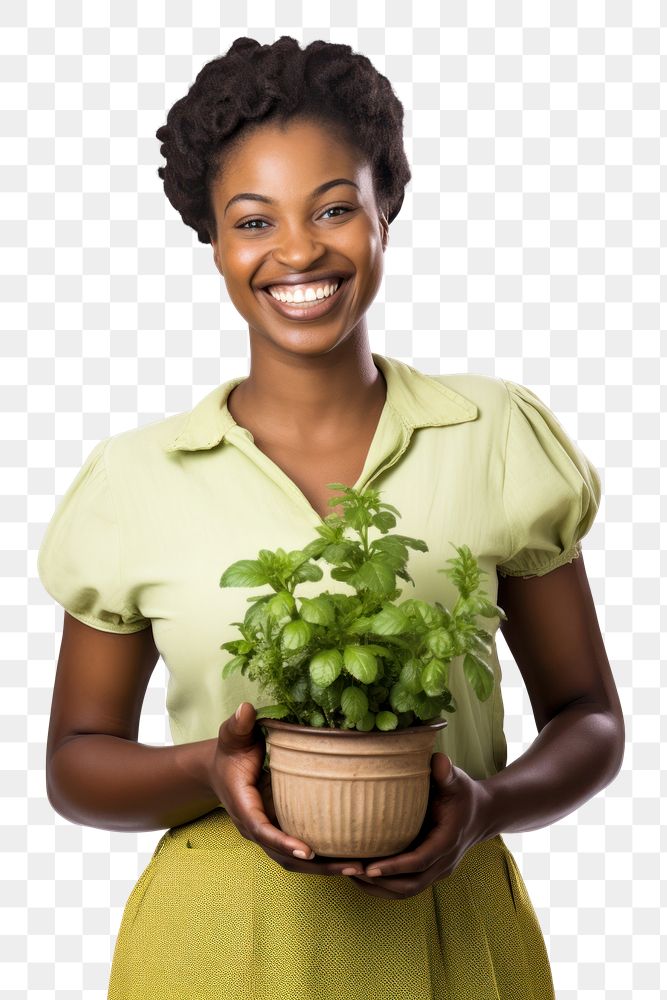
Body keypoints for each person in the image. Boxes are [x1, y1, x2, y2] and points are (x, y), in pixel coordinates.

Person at [38, 36, 625, 1000]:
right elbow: (75, 764)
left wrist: (482, 807)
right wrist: (208, 768)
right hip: (216, 942)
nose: (299, 250)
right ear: (215, 240)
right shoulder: (133, 478)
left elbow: (589, 719)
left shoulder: (494, 433)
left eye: (334, 208)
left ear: (385, 206)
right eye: (252, 219)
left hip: (450, 928)